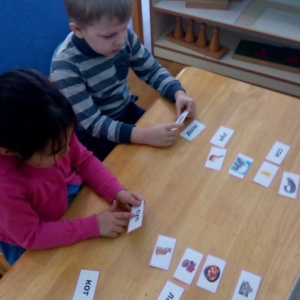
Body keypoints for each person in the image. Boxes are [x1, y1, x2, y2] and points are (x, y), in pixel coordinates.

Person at [0, 69, 143, 265]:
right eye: (55, 152)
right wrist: (93, 226)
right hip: (29, 241)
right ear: (8, 151)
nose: (67, 151)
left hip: (65, 198)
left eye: (70, 139)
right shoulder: (5, 186)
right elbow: (32, 236)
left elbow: (83, 160)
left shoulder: (53, 129)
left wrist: (115, 190)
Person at [51, 0, 196, 161]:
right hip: (94, 136)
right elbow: (94, 124)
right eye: (109, 35)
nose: (121, 40)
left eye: (124, 28)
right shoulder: (65, 66)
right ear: (78, 30)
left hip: (126, 110)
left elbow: (152, 70)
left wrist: (178, 93)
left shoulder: (122, 36)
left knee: (171, 152)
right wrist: (144, 135)